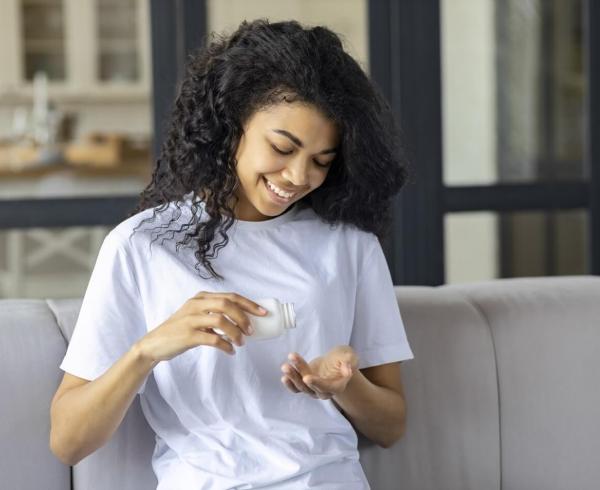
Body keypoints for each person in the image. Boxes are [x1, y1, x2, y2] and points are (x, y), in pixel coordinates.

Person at [49, 18, 414, 489]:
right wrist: (149, 350)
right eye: (282, 148)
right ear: (234, 123)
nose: (299, 176)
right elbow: (68, 440)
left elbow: (391, 426)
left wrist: (347, 385)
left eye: (322, 161)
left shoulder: (349, 246)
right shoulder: (142, 246)